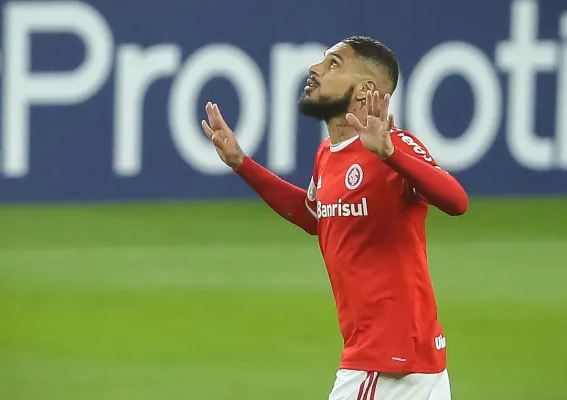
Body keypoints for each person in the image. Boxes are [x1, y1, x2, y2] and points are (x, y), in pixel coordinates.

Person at [200, 36, 468, 400]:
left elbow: (456, 201)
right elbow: (316, 216)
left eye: (334, 64)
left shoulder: (392, 145)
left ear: (365, 91)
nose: (315, 69)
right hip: (395, 363)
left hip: (388, 364)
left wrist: (391, 154)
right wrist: (241, 164)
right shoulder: (328, 153)